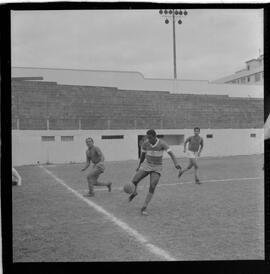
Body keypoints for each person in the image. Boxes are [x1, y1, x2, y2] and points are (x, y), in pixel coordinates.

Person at [128, 129, 181, 216]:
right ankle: (134, 192)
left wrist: (176, 163)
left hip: (157, 167)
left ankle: (144, 207)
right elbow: (143, 155)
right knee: (134, 180)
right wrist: (139, 165)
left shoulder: (162, 144)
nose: (148, 140)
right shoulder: (146, 143)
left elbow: (171, 154)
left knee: (152, 186)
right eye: (147, 138)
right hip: (147, 165)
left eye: (150, 138)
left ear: (155, 137)